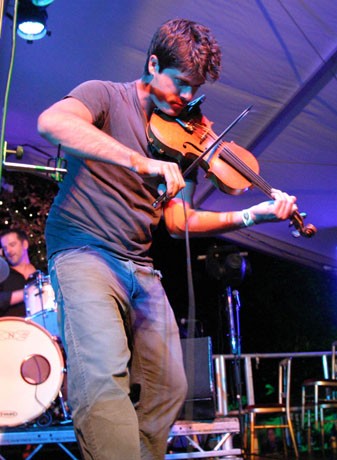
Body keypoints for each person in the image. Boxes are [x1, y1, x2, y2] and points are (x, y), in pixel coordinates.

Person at [37, 18, 297, 460]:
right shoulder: (104, 94)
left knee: (170, 386)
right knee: (103, 375)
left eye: (195, 90)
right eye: (179, 84)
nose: (187, 98)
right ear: (153, 63)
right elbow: (52, 122)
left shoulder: (181, 138)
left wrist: (252, 215)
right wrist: (138, 161)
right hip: (83, 247)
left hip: (138, 262)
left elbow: (178, 220)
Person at [0, 228, 36, 317]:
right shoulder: (3, 275)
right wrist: (27, 293)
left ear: (25, 244)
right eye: (5, 248)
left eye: (12, 245)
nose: (8, 251)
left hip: (40, 329)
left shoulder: (40, 274)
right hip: (9, 329)